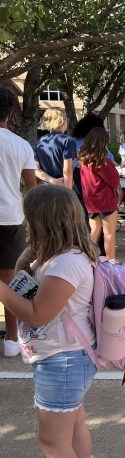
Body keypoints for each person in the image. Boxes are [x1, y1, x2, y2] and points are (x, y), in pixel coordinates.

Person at [0, 185, 100, 458]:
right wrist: (25, 261)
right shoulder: (64, 257)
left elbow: (38, 314)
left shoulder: (64, 265)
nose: (24, 225)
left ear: (45, 221)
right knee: (73, 429)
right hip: (70, 358)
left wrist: (1, 286)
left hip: (63, 362)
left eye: (29, 219)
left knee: (54, 444)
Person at [0, 87, 36, 357]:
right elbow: (32, 190)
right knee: (10, 280)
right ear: (10, 113)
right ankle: (12, 340)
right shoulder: (21, 145)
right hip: (11, 217)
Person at [77, 127, 122, 261]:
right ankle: (111, 263)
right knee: (109, 234)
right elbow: (114, 181)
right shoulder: (105, 162)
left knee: (94, 232)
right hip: (106, 201)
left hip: (91, 201)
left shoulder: (84, 161)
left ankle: (87, 260)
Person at [35, 109, 78, 191]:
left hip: (46, 189)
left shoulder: (41, 141)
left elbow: (36, 169)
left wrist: (53, 181)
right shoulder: (68, 141)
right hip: (63, 189)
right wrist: (68, 192)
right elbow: (67, 171)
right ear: (63, 121)